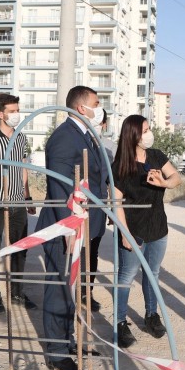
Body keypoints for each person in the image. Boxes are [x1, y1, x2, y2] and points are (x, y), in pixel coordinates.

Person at [36, 86, 108, 370]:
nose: (100, 108)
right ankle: (56, 352)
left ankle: (68, 341)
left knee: (72, 288)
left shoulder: (85, 135)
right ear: (81, 107)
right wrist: (68, 228)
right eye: (96, 103)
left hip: (83, 224)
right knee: (58, 288)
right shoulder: (64, 137)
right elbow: (60, 186)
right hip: (65, 226)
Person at [112, 115, 181, 348]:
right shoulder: (120, 165)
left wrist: (163, 183)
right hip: (133, 230)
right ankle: (120, 323)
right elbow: (116, 203)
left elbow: (176, 177)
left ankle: (151, 316)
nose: (149, 134)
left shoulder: (156, 156)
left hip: (158, 228)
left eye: (149, 128)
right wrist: (125, 234)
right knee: (126, 276)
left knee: (153, 274)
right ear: (133, 135)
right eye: (145, 130)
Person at [0, 94, 37, 313]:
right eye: (12, 111)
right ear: (0, 114)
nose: (16, 114)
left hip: (18, 203)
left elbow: (23, 168)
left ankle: (17, 293)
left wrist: (27, 196)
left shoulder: (21, 138)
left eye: (17, 110)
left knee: (20, 249)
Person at [79, 108, 117, 313]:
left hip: (99, 206)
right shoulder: (78, 141)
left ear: (105, 125)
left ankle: (87, 292)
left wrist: (111, 208)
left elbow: (111, 182)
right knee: (76, 250)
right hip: (77, 206)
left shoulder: (110, 148)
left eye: (100, 121)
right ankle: (74, 291)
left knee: (92, 250)